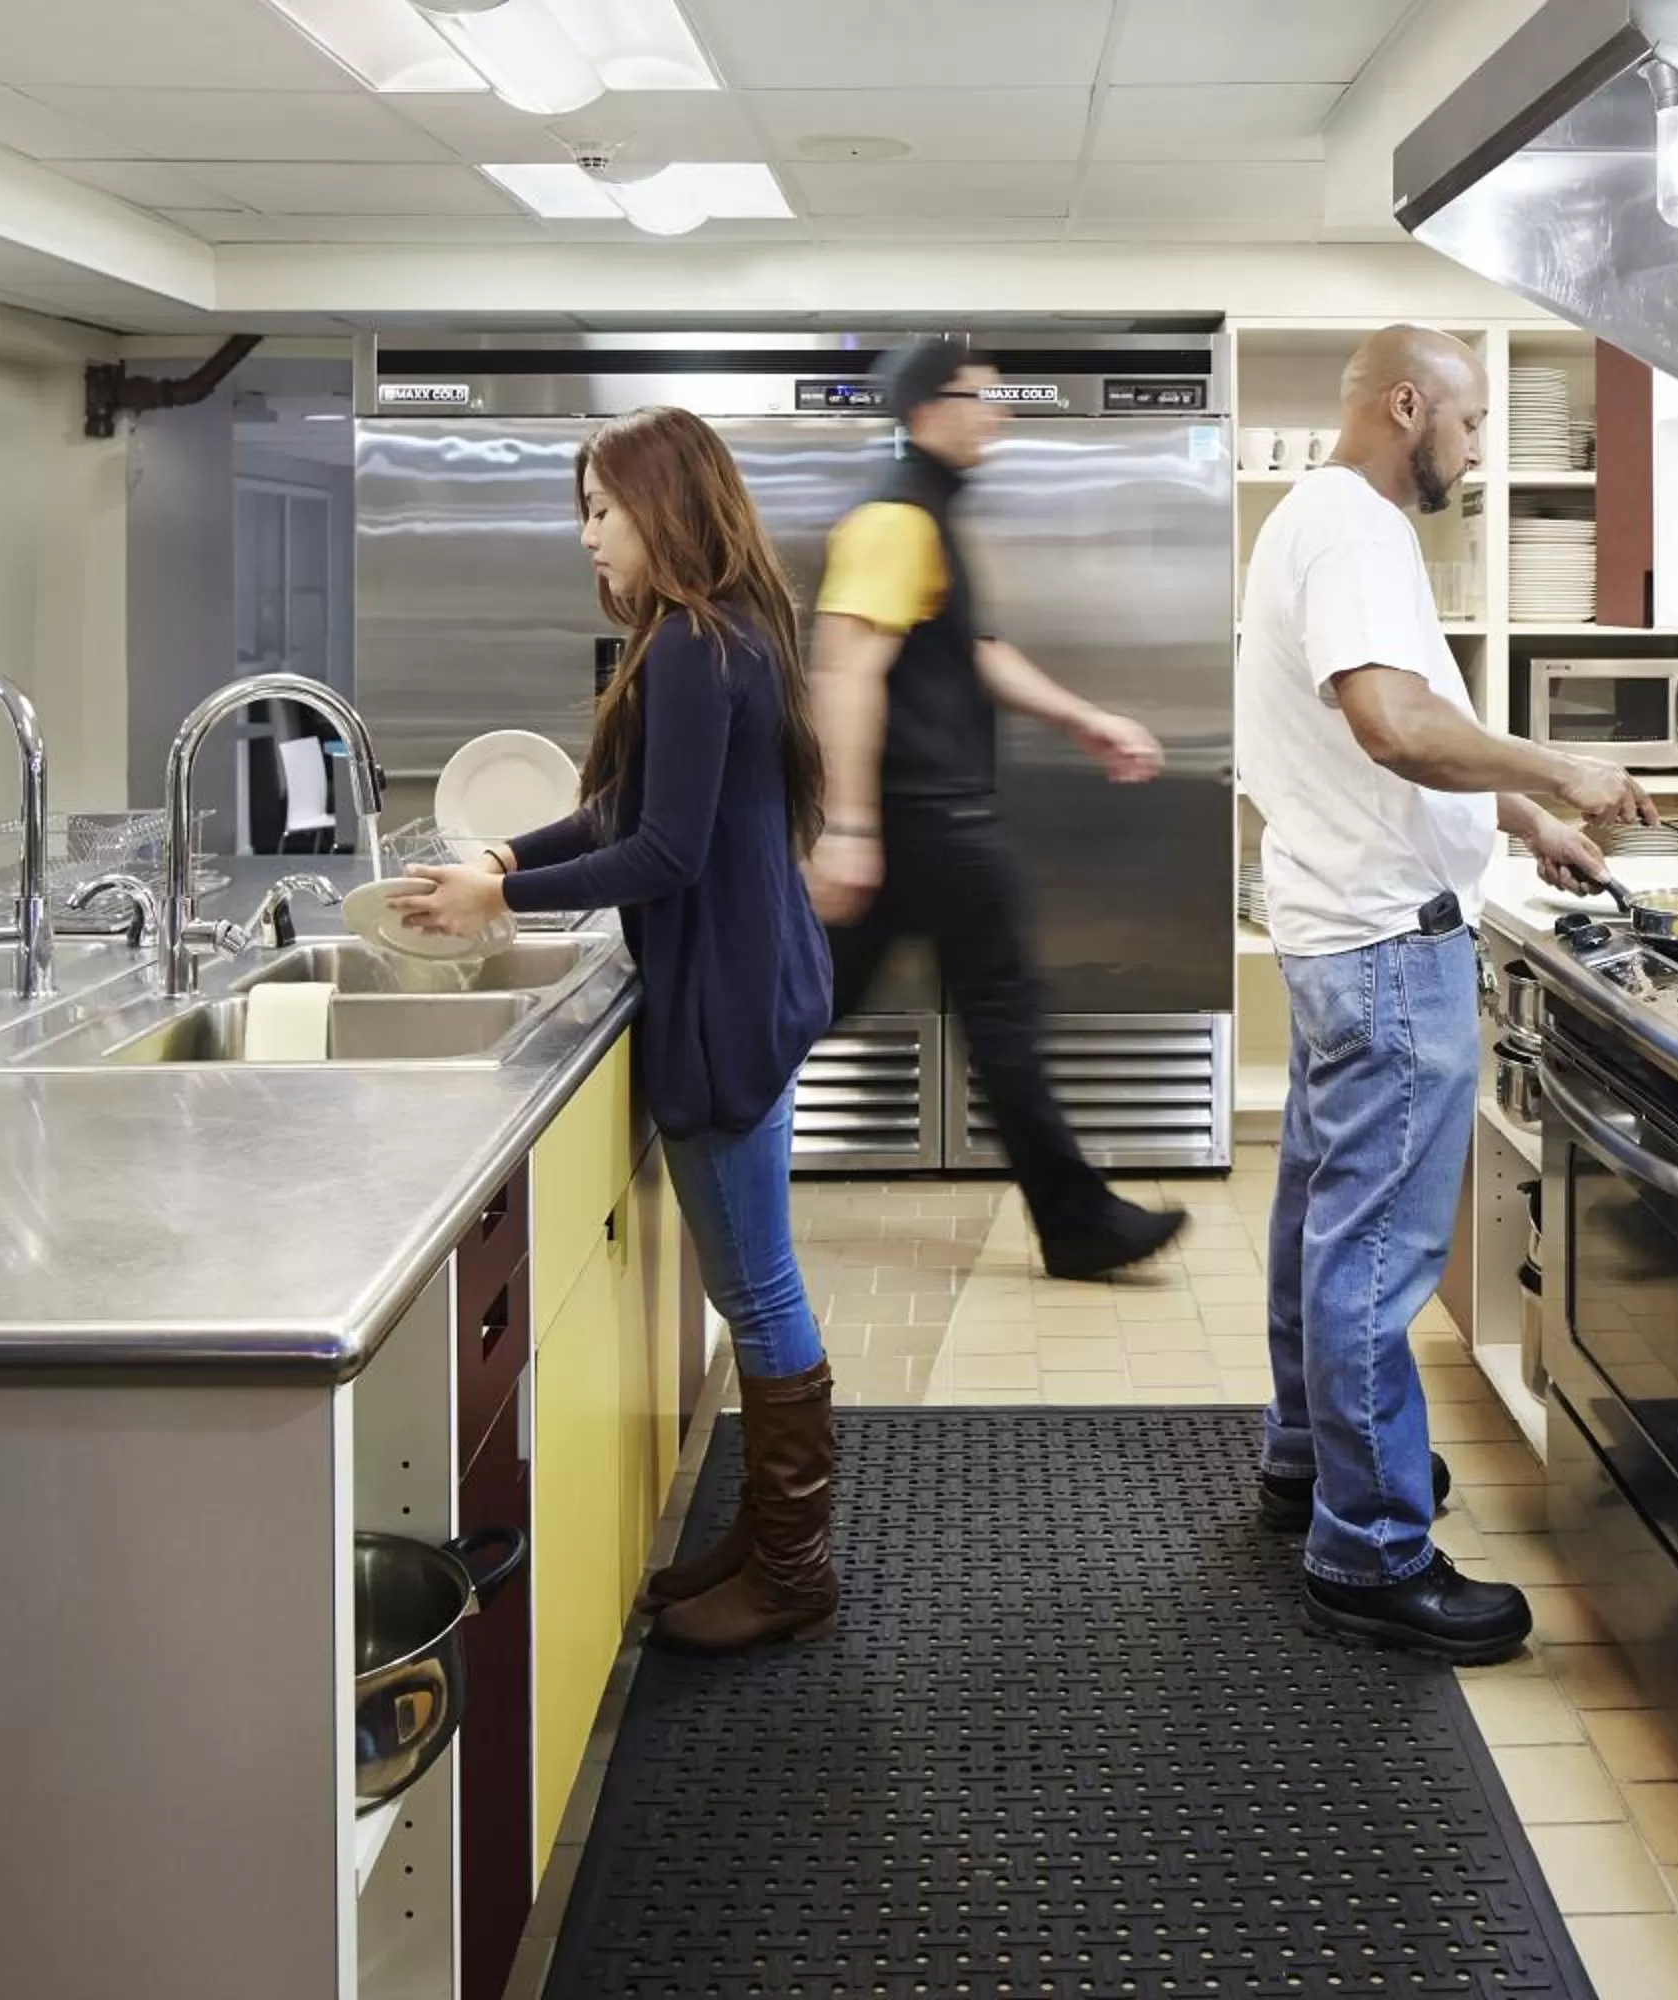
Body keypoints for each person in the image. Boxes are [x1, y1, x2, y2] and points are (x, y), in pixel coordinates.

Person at [1237, 325, 1659, 1664]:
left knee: (1324, 1218)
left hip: (1340, 929)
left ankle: (1312, 1464)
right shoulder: (1357, 525)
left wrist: (1524, 823)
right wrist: (1565, 771)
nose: (1478, 454)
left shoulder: (1321, 519)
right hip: (1383, 946)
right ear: (1405, 404)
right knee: (1373, 1251)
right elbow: (1389, 724)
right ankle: (1368, 1557)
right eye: (1471, 426)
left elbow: (1405, 737)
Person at [393, 405, 840, 1656]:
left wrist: (499, 896)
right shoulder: (719, 632)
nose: (589, 536)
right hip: (752, 980)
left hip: (727, 999)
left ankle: (795, 1568)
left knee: (758, 1288)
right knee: (757, 1281)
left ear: (665, 507)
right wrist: (504, 853)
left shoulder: (695, 646)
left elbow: (662, 851)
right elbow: (613, 813)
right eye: (584, 510)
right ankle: (766, 1535)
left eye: (603, 508)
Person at [805, 337, 1189, 1282]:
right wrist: (846, 827)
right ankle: (1075, 1220)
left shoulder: (927, 513)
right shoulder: (895, 519)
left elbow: (972, 647)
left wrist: (1084, 719)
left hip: (929, 818)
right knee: (982, 1012)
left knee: (820, 1002)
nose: (1000, 413)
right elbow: (845, 670)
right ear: (931, 407)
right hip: (923, 818)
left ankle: (673, 1119)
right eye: (983, 397)